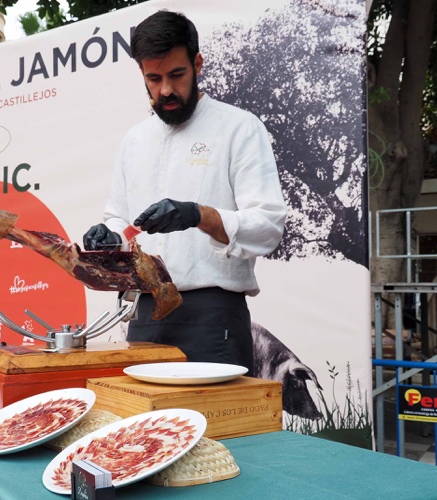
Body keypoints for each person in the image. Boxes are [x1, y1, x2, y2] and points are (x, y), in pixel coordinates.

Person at [82, 10, 287, 371]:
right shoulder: (134, 141)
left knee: (217, 429)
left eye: (177, 75)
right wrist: (108, 239)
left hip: (213, 319)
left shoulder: (239, 128)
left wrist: (198, 215)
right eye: (153, 78)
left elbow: (268, 227)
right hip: (142, 316)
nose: (165, 90)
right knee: (146, 427)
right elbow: (123, 223)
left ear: (198, 63)